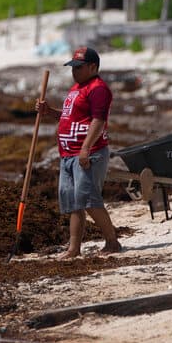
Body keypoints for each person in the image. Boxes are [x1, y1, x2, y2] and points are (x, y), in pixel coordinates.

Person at [35, 46, 121, 259]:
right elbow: (67, 117)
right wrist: (49, 112)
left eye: (79, 67)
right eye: (73, 67)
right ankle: (73, 249)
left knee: (89, 200)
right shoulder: (76, 88)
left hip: (88, 154)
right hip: (67, 154)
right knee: (74, 203)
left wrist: (85, 148)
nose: (74, 71)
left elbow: (98, 121)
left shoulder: (98, 88)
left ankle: (112, 241)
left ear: (93, 67)